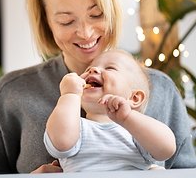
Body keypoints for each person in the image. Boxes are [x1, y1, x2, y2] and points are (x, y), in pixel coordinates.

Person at [0, 0, 196, 174]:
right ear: (47, 23)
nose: (86, 33)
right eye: (67, 21)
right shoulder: (13, 92)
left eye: (96, 14)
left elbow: (191, 173)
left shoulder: (160, 89)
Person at [44, 50, 176, 172]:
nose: (93, 70)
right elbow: (61, 143)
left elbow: (166, 149)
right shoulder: (75, 128)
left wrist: (127, 118)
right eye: (88, 69)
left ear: (134, 98)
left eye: (110, 68)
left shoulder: (136, 132)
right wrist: (70, 95)